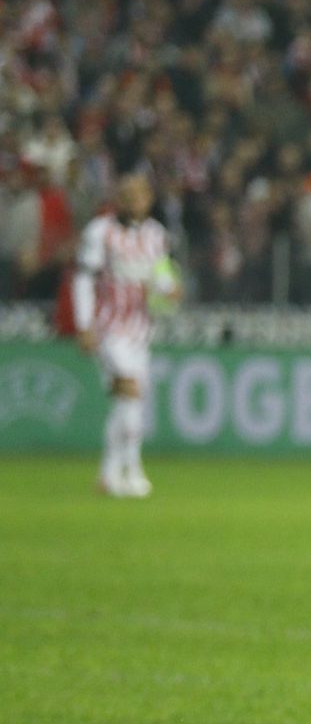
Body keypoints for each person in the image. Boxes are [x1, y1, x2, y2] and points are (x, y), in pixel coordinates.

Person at [72, 171, 175, 499]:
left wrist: (170, 291)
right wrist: (84, 324)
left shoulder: (156, 235)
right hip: (108, 328)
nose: (134, 200)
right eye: (127, 194)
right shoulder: (100, 231)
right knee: (130, 390)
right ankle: (133, 471)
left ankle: (109, 473)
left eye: (140, 194)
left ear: (148, 198)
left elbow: (161, 278)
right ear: (119, 197)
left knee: (127, 401)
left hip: (140, 330)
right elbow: (84, 279)